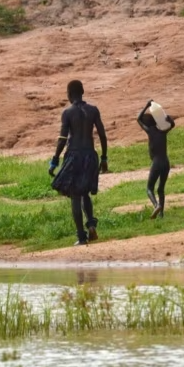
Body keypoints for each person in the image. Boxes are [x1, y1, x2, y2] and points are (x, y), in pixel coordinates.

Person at [49, 80, 109, 246]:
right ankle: (91, 224)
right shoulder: (93, 110)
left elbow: (62, 139)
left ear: (69, 95)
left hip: (74, 155)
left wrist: (54, 160)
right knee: (85, 193)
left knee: (75, 196)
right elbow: (103, 136)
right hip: (90, 155)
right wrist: (104, 158)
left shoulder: (68, 113)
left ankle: (81, 237)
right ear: (82, 91)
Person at [137, 100, 175, 219]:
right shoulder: (162, 131)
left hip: (157, 163)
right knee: (161, 189)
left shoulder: (150, 131)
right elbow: (172, 125)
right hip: (166, 162)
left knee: (149, 188)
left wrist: (146, 106)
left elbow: (138, 119)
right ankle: (161, 214)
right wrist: (169, 120)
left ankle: (156, 205)